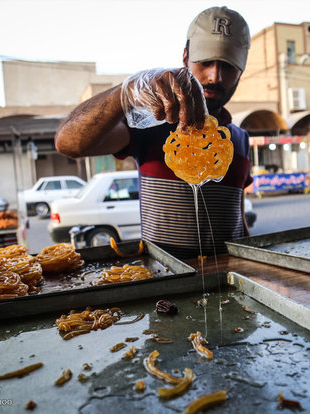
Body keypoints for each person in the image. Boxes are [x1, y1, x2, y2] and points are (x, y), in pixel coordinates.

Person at [55, 6, 252, 258]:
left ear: (241, 71)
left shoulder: (239, 139)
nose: (215, 76)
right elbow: (68, 143)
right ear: (185, 58)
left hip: (230, 279)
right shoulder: (154, 123)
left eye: (228, 65)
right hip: (166, 279)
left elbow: (239, 216)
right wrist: (124, 94)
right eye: (205, 62)